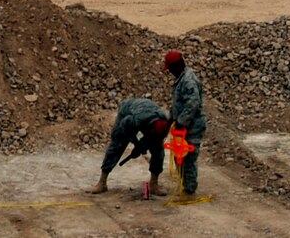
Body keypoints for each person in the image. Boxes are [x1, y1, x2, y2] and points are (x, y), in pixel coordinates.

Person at [88, 97, 170, 194]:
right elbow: (126, 129)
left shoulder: (164, 120)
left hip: (147, 116)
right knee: (117, 145)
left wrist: (143, 146)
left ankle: (153, 184)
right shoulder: (135, 119)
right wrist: (136, 145)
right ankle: (102, 183)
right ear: (151, 128)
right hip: (127, 112)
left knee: (158, 150)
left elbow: (154, 138)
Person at [165, 49, 206, 195]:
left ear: (176, 66)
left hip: (193, 126)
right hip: (183, 126)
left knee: (188, 158)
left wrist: (181, 121)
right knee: (179, 155)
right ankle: (186, 184)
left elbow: (192, 104)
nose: (169, 72)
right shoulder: (181, 79)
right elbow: (177, 104)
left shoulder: (188, 80)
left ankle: (190, 189)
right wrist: (170, 121)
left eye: (169, 68)